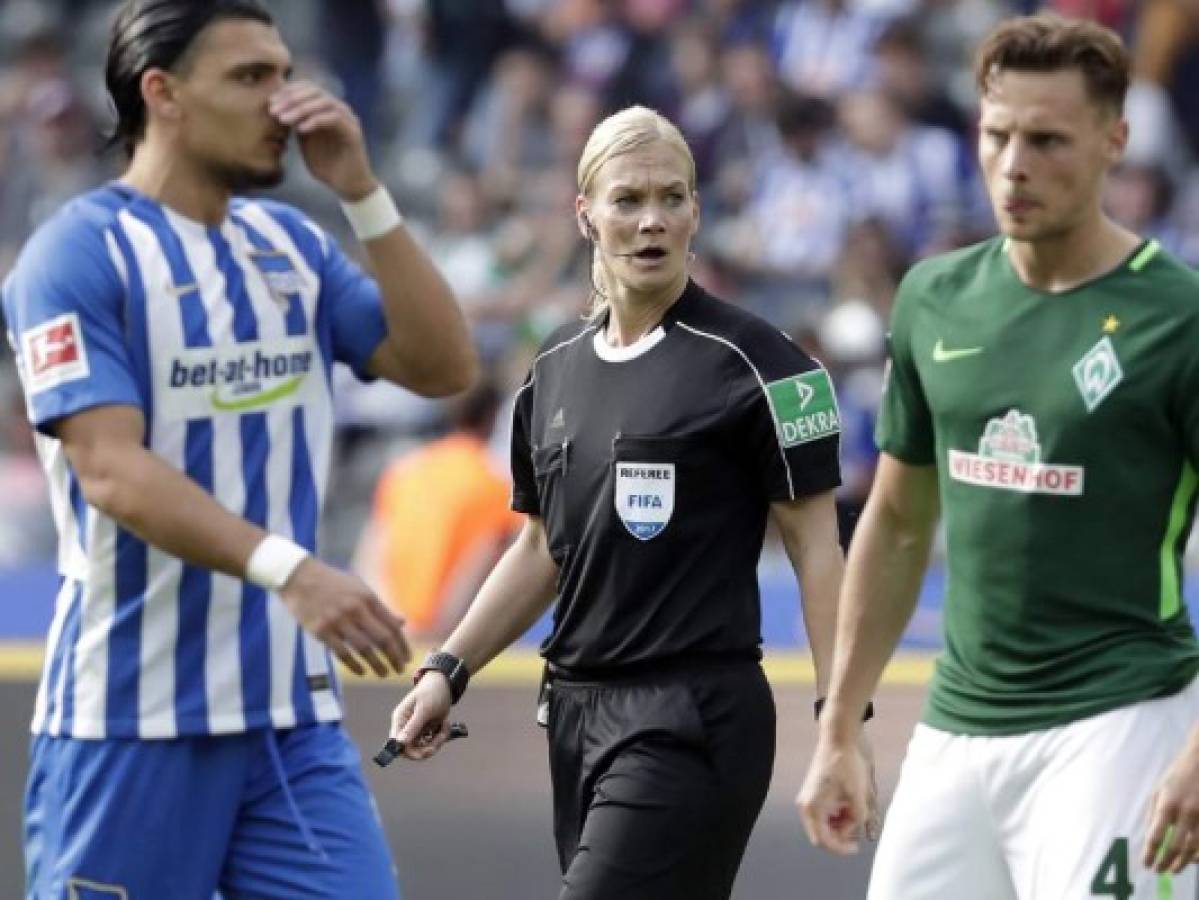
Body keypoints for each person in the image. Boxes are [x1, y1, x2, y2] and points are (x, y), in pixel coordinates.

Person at [2, 1, 477, 897]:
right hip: (128, 718)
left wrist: (363, 195)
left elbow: (442, 363)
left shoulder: (291, 244)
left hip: (285, 721)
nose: (285, 103)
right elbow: (110, 468)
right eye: (251, 77)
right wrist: (293, 571)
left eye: (285, 74)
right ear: (164, 93)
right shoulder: (75, 254)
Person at [388, 104, 869, 900]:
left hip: (694, 717)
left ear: (696, 212)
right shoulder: (552, 367)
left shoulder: (765, 366)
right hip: (574, 716)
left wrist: (841, 725)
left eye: (671, 198)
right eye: (628, 200)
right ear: (585, 216)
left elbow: (818, 550)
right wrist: (447, 667)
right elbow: (542, 547)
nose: (651, 221)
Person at [798, 13, 1199, 899]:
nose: (1013, 165)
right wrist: (838, 730)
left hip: (1120, 725)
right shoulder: (935, 297)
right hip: (954, 732)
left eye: (1047, 139)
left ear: (1114, 141)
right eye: (996, 134)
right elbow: (898, 525)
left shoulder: (1181, 320)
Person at [354, 380, 520, 639]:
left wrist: (390, 620)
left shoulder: (406, 470)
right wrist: (440, 637)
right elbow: (478, 567)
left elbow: (373, 551)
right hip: (441, 637)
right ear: (493, 417)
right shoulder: (495, 486)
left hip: (389, 630)